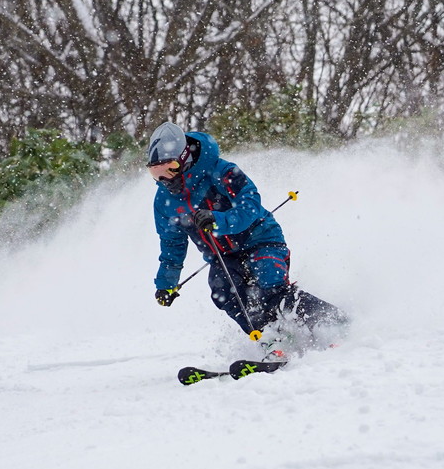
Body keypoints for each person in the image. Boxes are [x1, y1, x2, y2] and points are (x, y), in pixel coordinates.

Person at [147, 121, 347, 349]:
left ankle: (331, 323)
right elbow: (172, 245)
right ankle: (271, 339)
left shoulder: (221, 171)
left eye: (169, 168)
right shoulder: (165, 201)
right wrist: (166, 284)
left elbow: (250, 204)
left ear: (184, 158)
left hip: (261, 239)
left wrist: (217, 220)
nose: (165, 179)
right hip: (223, 255)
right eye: (156, 172)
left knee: (269, 284)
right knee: (223, 291)